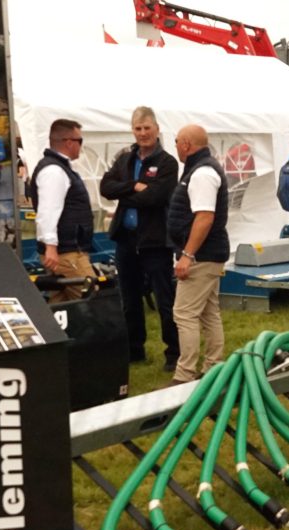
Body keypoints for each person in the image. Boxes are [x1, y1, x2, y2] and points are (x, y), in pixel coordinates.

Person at [100, 106, 180, 368]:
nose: (143, 133)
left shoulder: (166, 162)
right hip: (126, 238)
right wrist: (132, 186)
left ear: (156, 129)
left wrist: (123, 193)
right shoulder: (126, 158)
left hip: (155, 241)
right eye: (138, 128)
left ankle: (173, 353)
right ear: (132, 130)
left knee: (164, 298)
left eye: (147, 128)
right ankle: (135, 349)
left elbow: (156, 197)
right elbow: (105, 188)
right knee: (129, 298)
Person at [166, 124, 229, 385]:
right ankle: (213, 367)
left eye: (177, 141)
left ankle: (185, 375)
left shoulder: (202, 173)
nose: (176, 146)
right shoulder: (202, 169)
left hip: (201, 256)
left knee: (184, 313)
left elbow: (204, 218)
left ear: (186, 145)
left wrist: (187, 255)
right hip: (209, 253)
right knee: (208, 312)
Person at [28, 118, 95, 303]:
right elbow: (48, 210)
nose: (81, 146)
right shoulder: (54, 171)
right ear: (68, 142)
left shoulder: (58, 168)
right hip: (66, 253)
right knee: (91, 300)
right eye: (79, 140)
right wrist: (51, 247)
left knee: (61, 305)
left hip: (64, 250)